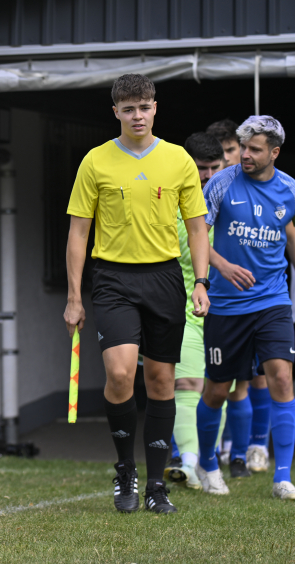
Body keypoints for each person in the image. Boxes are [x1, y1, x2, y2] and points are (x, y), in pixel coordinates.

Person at [65, 74, 211, 514]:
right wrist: (74, 296)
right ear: (116, 113)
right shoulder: (95, 161)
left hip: (165, 279)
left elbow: (197, 227)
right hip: (112, 279)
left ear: (154, 107)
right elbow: (78, 231)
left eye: (144, 106)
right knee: (121, 374)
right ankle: (125, 471)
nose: (137, 115)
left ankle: (155, 485)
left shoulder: (179, 160)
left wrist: (201, 282)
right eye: (128, 109)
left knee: (162, 380)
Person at [196, 115, 295, 499]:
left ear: (274, 152)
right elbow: (199, 232)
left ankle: (282, 476)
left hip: (272, 299)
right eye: (243, 148)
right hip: (226, 304)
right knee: (218, 389)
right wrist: (219, 268)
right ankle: (207, 463)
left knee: (281, 378)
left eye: (255, 149)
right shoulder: (222, 182)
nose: (245, 156)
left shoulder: (288, 189)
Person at [164, 132, 223, 489]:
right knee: (186, 383)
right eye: (201, 168)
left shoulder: (232, 196)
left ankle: (207, 461)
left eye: (214, 168)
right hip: (180, 304)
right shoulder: (170, 197)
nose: (207, 175)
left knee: (218, 388)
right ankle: (187, 463)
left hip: (225, 306)